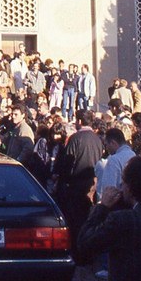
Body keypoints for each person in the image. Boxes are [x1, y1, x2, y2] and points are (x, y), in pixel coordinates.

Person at [53, 109, 104, 260]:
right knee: (87, 219)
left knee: (75, 221)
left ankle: (78, 252)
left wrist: (61, 178)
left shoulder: (76, 138)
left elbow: (67, 163)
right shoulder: (97, 139)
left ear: (80, 121)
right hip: (91, 184)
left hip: (75, 185)